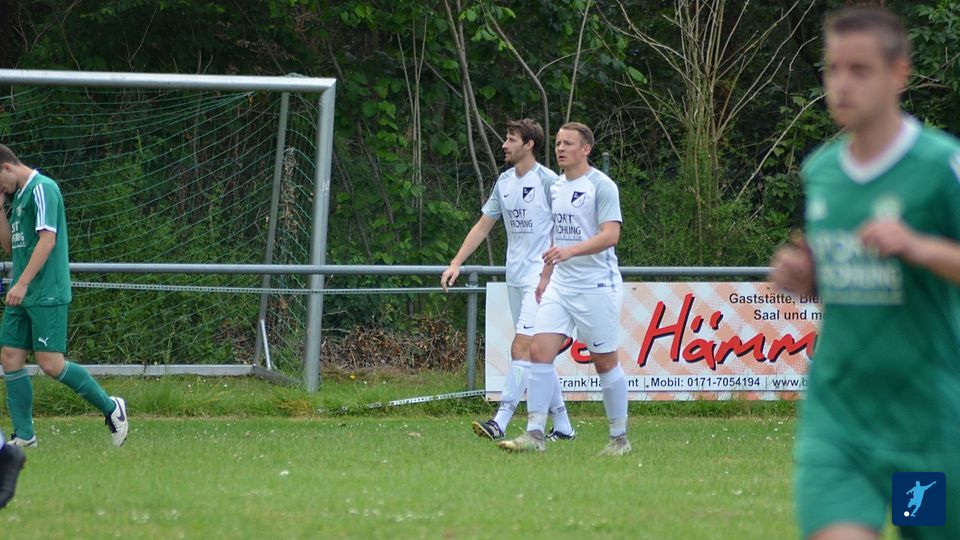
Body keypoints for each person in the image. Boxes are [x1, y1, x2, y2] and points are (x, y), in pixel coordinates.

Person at [770, 7, 960, 539]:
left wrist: (920, 247)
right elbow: (838, 277)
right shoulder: (822, 171)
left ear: (898, 74)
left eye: (860, 70)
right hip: (839, 417)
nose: (842, 84)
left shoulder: (939, 166)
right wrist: (808, 277)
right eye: (833, 69)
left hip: (922, 426)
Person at [498, 122, 629, 455]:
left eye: (568, 143)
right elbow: (556, 236)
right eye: (558, 143)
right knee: (539, 352)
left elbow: (611, 235)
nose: (560, 148)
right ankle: (535, 433)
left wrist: (570, 252)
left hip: (596, 286)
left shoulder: (602, 186)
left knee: (605, 362)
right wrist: (546, 276)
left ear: (586, 149)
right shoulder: (555, 187)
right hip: (560, 284)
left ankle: (619, 438)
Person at [441, 119, 576, 442]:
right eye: (506, 138)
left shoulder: (548, 181)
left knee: (522, 348)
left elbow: (567, 228)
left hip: (542, 280)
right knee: (538, 354)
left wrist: (554, 272)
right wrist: (456, 262)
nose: (504, 144)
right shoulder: (503, 182)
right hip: (515, 277)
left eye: (511, 139)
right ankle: (563, 427)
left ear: (529, 145)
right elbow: (483, 226)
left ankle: (500, 420)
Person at [0, 144, 128, 448]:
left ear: (6, 167)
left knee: (51, 364)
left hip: (46, 292)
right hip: (23, 292)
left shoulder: (42, 189)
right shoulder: (18, 198)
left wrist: (22, 283)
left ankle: (112, 407)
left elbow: (48, 241)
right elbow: (9, 247)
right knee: (10, 356)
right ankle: (25, 436)